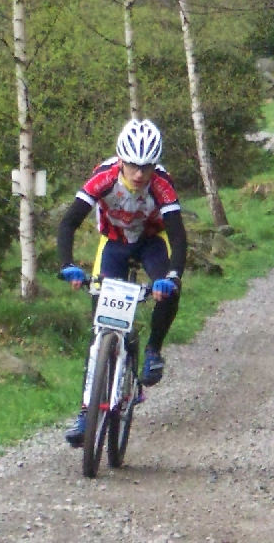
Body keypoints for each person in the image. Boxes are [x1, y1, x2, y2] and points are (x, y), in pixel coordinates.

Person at [57, 118, 187, 447]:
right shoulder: (103, 179)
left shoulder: (161, 185)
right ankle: (87, 412)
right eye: (132, 165)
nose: (139, 174)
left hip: (151, 242)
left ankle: (154, 350)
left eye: (146, 166)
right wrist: (68, 265)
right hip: (113, 243)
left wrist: (170, 277)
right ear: (121, 160)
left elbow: (178, 236)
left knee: (169, 289)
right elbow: (68, 223)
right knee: (99, 329)